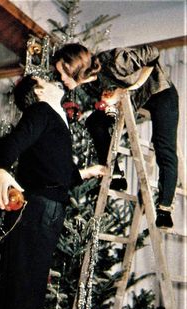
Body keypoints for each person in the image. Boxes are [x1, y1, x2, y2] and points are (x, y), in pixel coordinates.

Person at [0, 75, 105, 309]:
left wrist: (87, 172)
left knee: (25, 288)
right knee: (24, 290)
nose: (54, 81)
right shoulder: (41, 110)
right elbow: (12, 142)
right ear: (39, 92)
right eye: (45, 80)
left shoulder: (54, 117)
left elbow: (56, 172)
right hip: (37, 210)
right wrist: (0, 169)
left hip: (43, 208)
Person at [53, 43, 179, 228]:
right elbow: (108, 98)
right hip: (136, 102)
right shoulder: (87, 84)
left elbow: (153, 54)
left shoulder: (113, 60)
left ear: (77, 65)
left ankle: (164, 208)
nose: (62, 78)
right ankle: (116, 174)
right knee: (94, 122)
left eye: (64, 72)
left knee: (164, 147)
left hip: (160, 93)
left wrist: (124, 91)